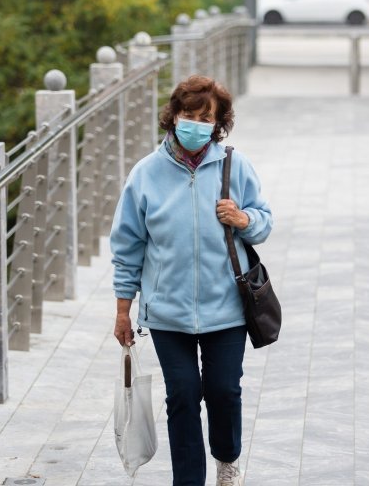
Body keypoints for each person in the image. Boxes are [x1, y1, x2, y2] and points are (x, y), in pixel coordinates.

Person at [111, 74, 273, 486]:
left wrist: (243, 219)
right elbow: (127, 244)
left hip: (227, 307)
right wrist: (123, 310)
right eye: (188, 115)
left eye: (206, 117)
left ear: (217, 123)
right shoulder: (146, 174)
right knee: (182, 396)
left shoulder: (236, 166)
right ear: (173, 117)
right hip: (168, 312)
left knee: (224, 391)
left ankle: (227, 459)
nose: (196, 123)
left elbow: (264, 223)